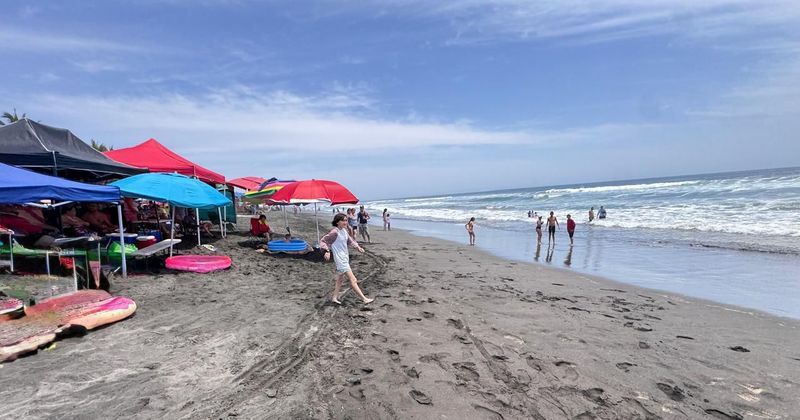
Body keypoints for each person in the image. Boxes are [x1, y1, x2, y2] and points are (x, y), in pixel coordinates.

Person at [319, 213, 374, 305]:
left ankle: (334, 297)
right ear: (337, 222)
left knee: (340, 280)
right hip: (340, 260)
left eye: (346, 220)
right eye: (343, 220)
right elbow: (323, 241)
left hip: (345, 257)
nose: (345, 222)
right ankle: (364, 299)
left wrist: (358, 248)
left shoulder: (344, 231)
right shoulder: (334, 232)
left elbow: (350, 241)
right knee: (353, 280)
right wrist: (326, 251)